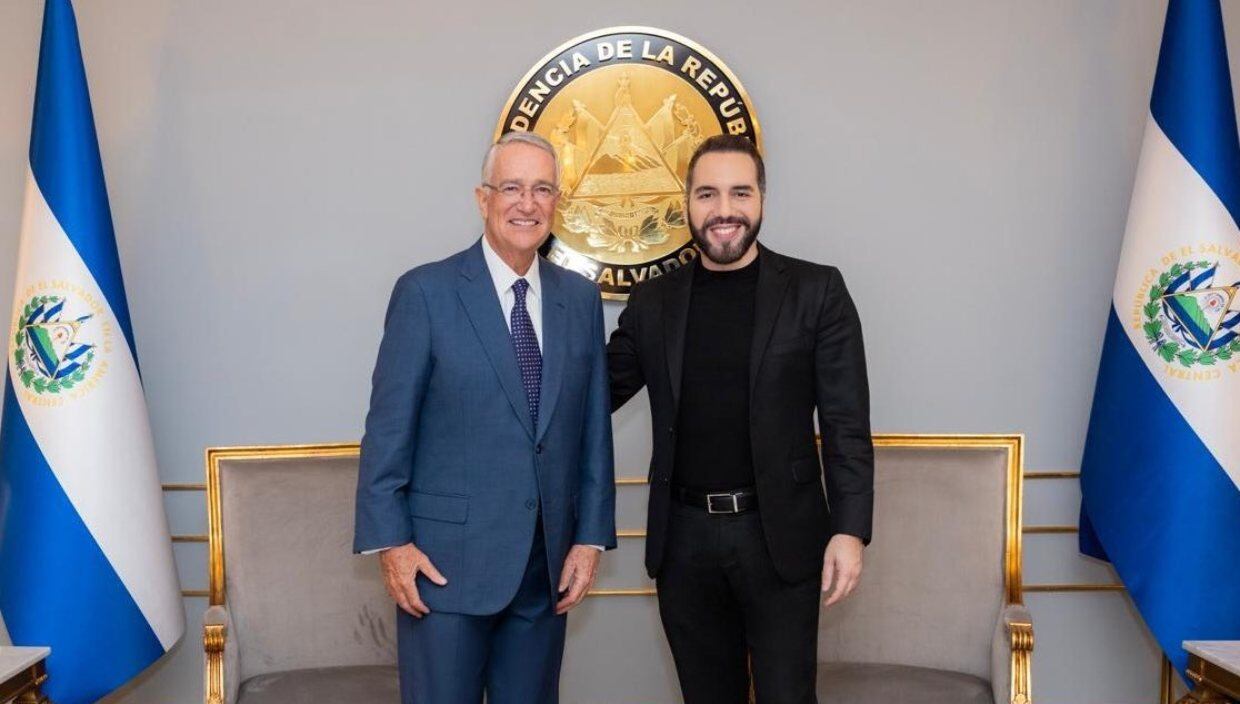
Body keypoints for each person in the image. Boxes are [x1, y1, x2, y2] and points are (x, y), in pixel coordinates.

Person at [607, 134, 874, 704]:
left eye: (739, 193)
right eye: (707, 194)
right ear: (687, 203)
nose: (723, 210)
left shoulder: (816, 291)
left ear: (761, 200)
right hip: (683, 542)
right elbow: (591, 395)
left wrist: (849, 530)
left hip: (781, 537)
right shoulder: (653, 302)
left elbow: (847, 424)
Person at [353, 131, 615, 704]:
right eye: (512, 187)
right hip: (441, 571)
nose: (528, 203)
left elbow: (593, 430)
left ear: (557, 202)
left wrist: (589, 538)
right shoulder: (425, 292)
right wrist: (392, 543)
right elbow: (388, 430)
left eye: (542, 189)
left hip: (544, 572)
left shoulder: (579, 300)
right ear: (483, 198)